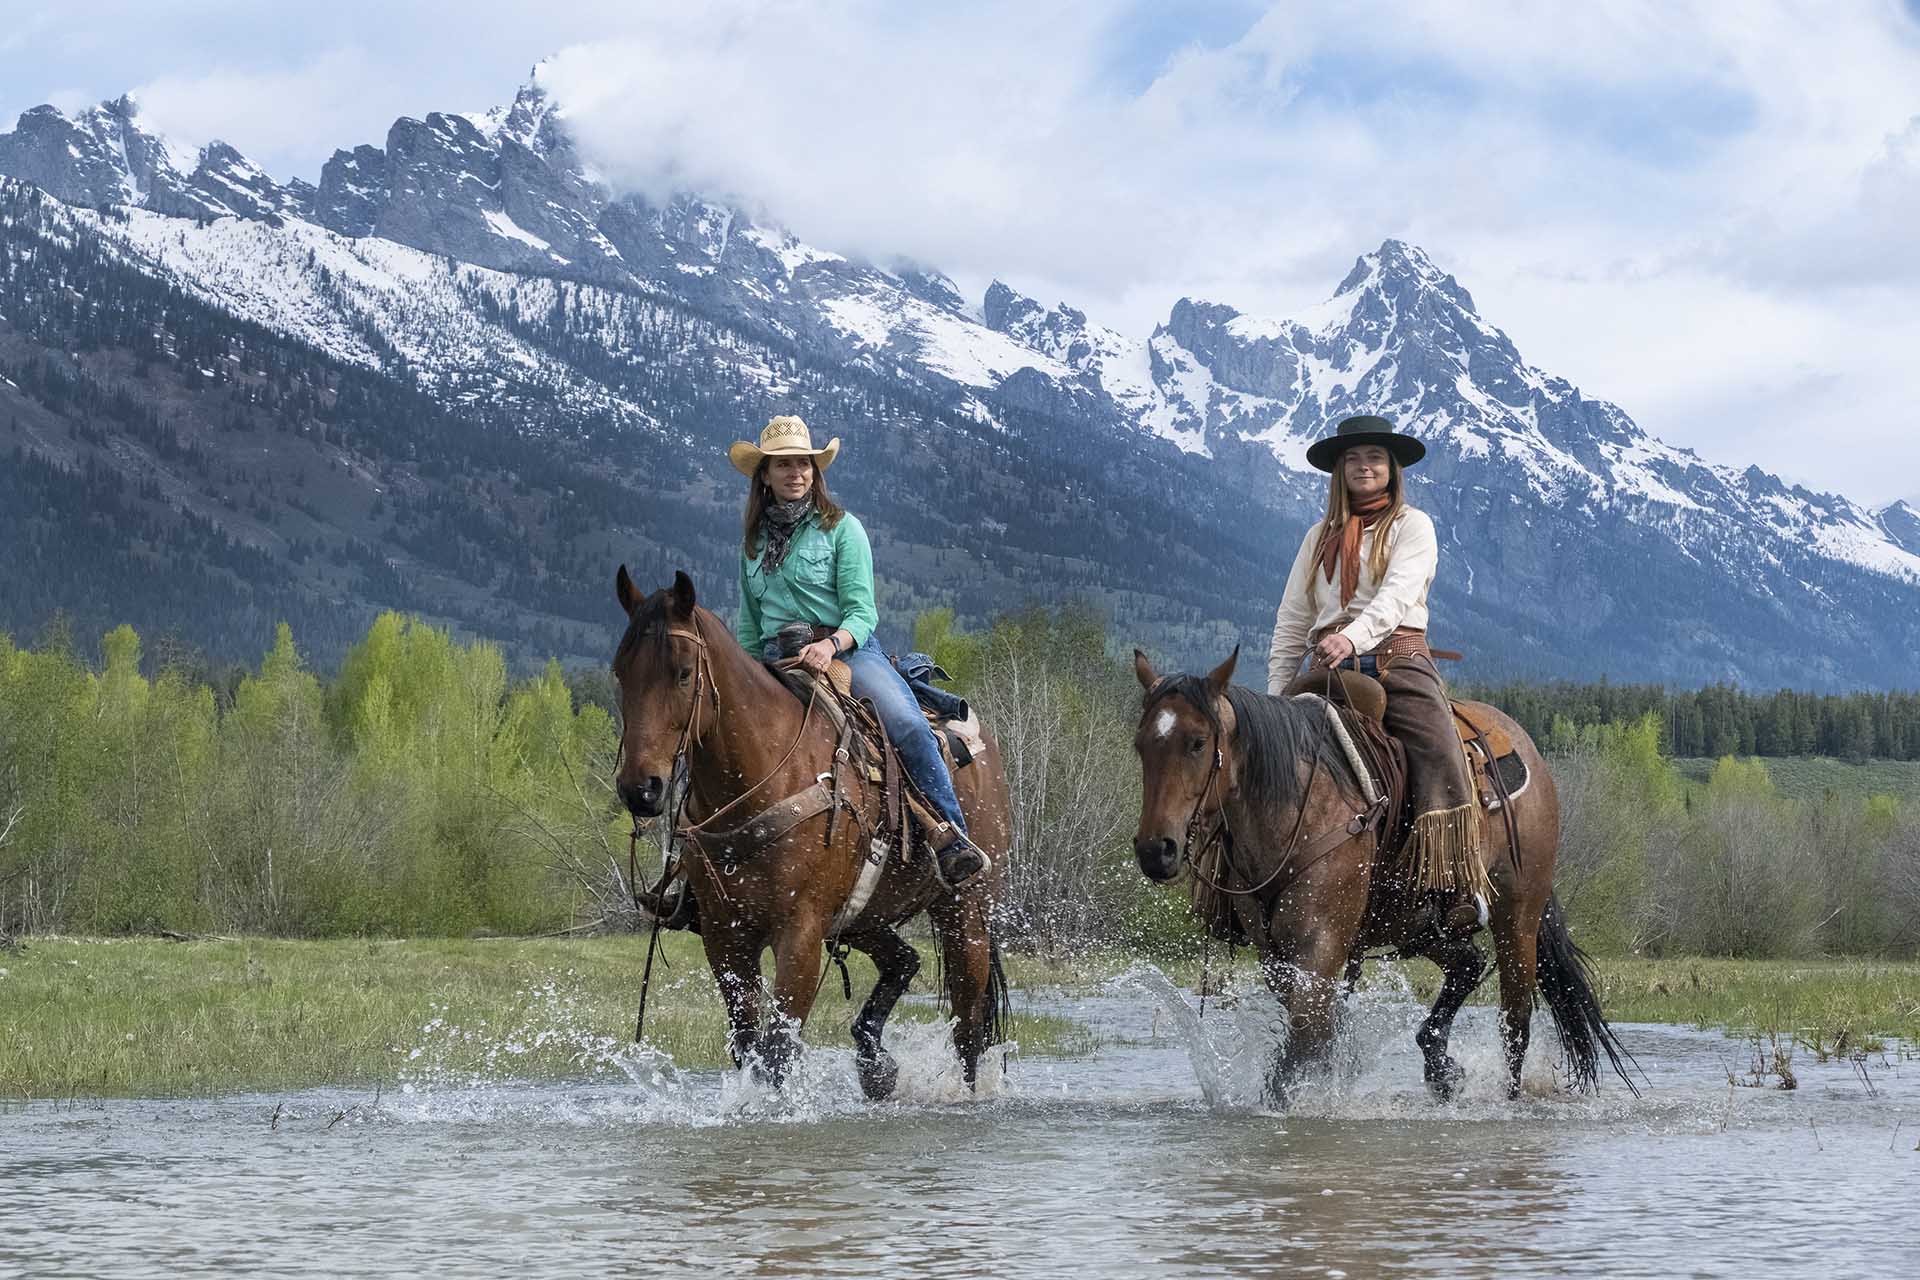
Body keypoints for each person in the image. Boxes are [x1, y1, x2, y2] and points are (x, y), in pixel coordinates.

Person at [729, 414, 988, 889]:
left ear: (815, 471)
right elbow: (748, 624)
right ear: (763, 475)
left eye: (804, 464)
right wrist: (744, 675)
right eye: (783, 464)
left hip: (847, 651)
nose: (796, 473)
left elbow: (862, 613)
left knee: (907, 725)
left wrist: (828, 646)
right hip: (773, 659)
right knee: (716, 734)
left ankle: (954, 839)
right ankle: (697, 864)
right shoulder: (753, 545)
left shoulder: (842, 529)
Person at [1266, 414, 1489, 933]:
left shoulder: (1413, 525)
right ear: (1339, 470)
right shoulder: (1317, 537)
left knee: (1438, 746)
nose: (1363, 466)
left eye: (1374, 458)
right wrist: (1274, 697)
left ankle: (1454, 884)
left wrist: (1351, 637)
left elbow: (1395, 598)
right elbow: (1293, 618)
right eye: (1353, 459)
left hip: (1397, 658)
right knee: (1267, 759)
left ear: (1391, 468)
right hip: (1329, 665)